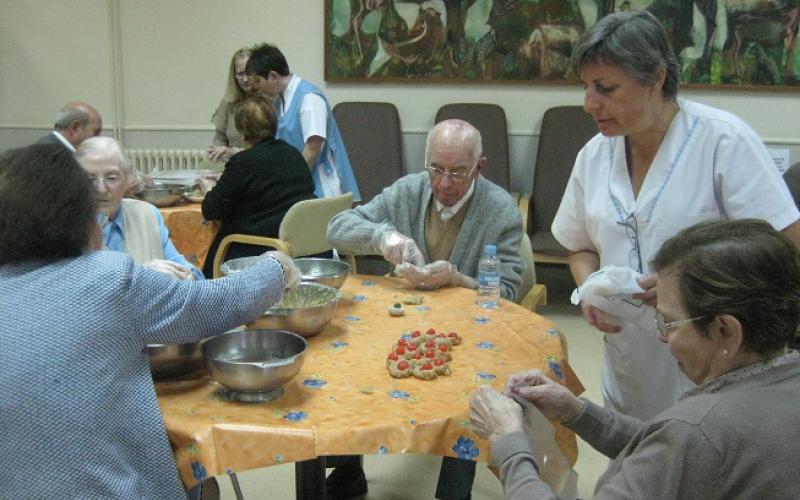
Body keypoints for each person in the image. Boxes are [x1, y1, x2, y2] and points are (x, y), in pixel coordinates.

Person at [0, 143, 300, 499]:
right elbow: (219, 305)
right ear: (75, 216)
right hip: (111, 489)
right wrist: (276, 266)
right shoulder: (107, 279)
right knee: (202, 485)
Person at [552, 10, 800, 421]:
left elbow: (784, 252)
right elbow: (577, 244)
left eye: (606, 88)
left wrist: (685, 284)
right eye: (585, 87)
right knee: (635, 458)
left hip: (716, 366)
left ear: (657, 79)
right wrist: (590, 289)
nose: (588, 104)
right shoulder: (595, 155)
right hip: (630, 363)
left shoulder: (723, 142)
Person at [470, 218, 800, 499]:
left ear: (725, 331)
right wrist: (576, 411)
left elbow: (684, 443)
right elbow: (672, 451)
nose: (661, 335)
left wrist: (508, 440)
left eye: (668, 322)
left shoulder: (697, 430)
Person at [327, 119, 523, 500]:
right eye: (436, 169)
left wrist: (456, 278)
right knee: (352, 364)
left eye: (458, 172)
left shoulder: (500, 210)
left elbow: (510, 291)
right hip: (403, 318)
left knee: (469, 388)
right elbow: (336, 228)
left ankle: (454, 491)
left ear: (479, 168)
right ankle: (349, 470)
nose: (445, 184)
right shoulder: (409, 191)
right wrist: (382, 236)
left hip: (469, 328)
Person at [200, 93, 317, 278]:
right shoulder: (293, 154)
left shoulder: (243, 162)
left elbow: (211, 210)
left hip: (252, 248)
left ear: (242, 131)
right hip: (295, 245)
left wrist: (208, 188)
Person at [75, 136, 204, 280]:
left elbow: (185, 269)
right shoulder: (66, 228)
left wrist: (189, 276)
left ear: (127, 180)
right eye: (90, 179)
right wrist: (141, 276)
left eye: (112, 178)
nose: (101, 189)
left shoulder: (146, 214)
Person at [245, 42, 361, 202]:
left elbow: (313, 148)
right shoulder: (279, 101)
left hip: (318, 186)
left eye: (258, 81)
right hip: (299, 185)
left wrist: (291, 185)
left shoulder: (309, 98)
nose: (256, 87)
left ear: (272, 76)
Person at [207, 47, 252, 163]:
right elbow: (219, 138)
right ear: (234, 76)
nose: (245, 79)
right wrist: (217, 152)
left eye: (249, 72)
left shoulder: (268, 102)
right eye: (241, 74)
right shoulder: (228, 102)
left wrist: (234, 152)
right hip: (231, 165)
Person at [37, 100, 102, 151]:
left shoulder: (45, 147)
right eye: (96, 133)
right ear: (74, 129)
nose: (99, 139)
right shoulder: (55, 157)